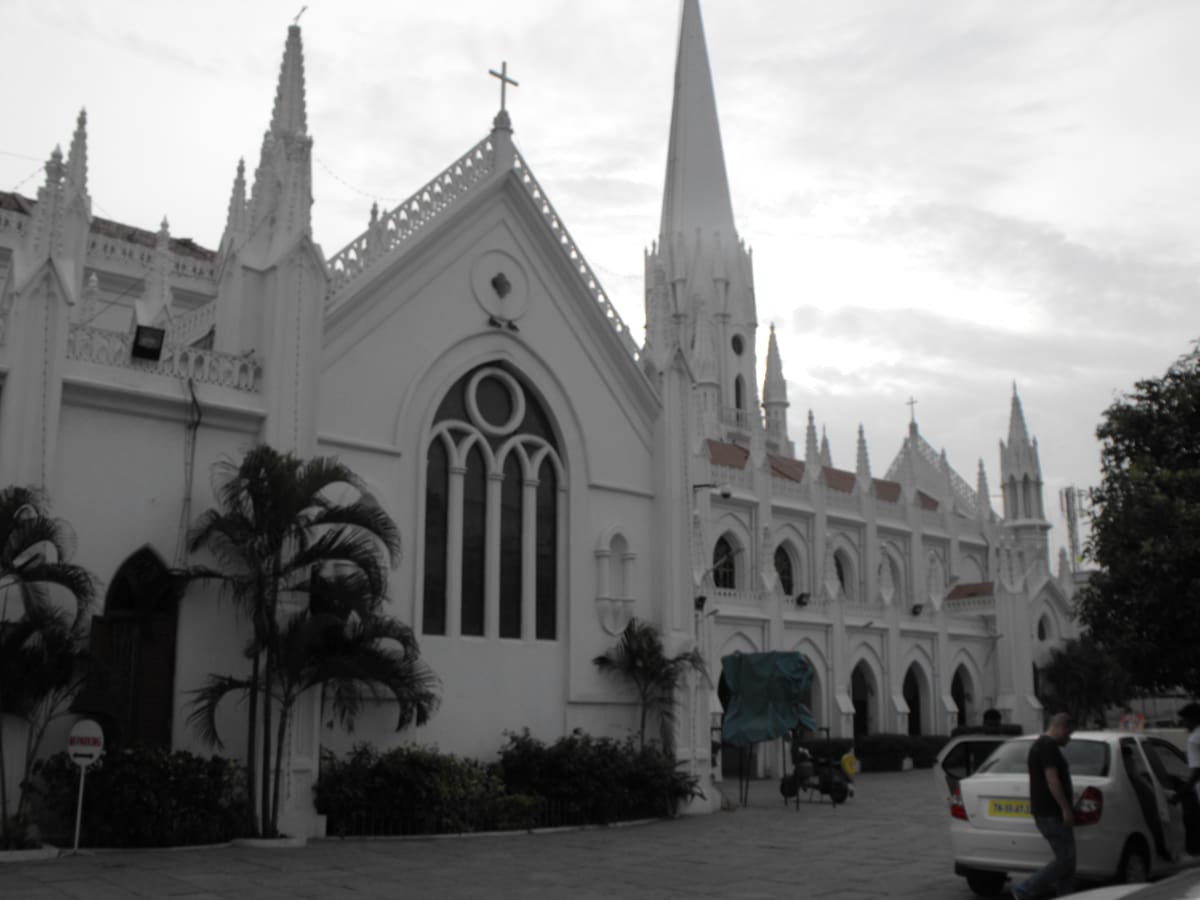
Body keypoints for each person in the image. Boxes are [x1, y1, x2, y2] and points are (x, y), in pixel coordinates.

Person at [1012, 713, 1075, 900]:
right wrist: (1065, 808)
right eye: (1069, 733)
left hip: (1048, 812)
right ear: (1061, 728)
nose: (1069, 738)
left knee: (1069, 862)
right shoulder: (1048, 746)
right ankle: (1025, 889)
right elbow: (1052, 779)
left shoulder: (1041, 745)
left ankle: (1066, 896)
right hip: (1051, 813)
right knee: (1066, 859)